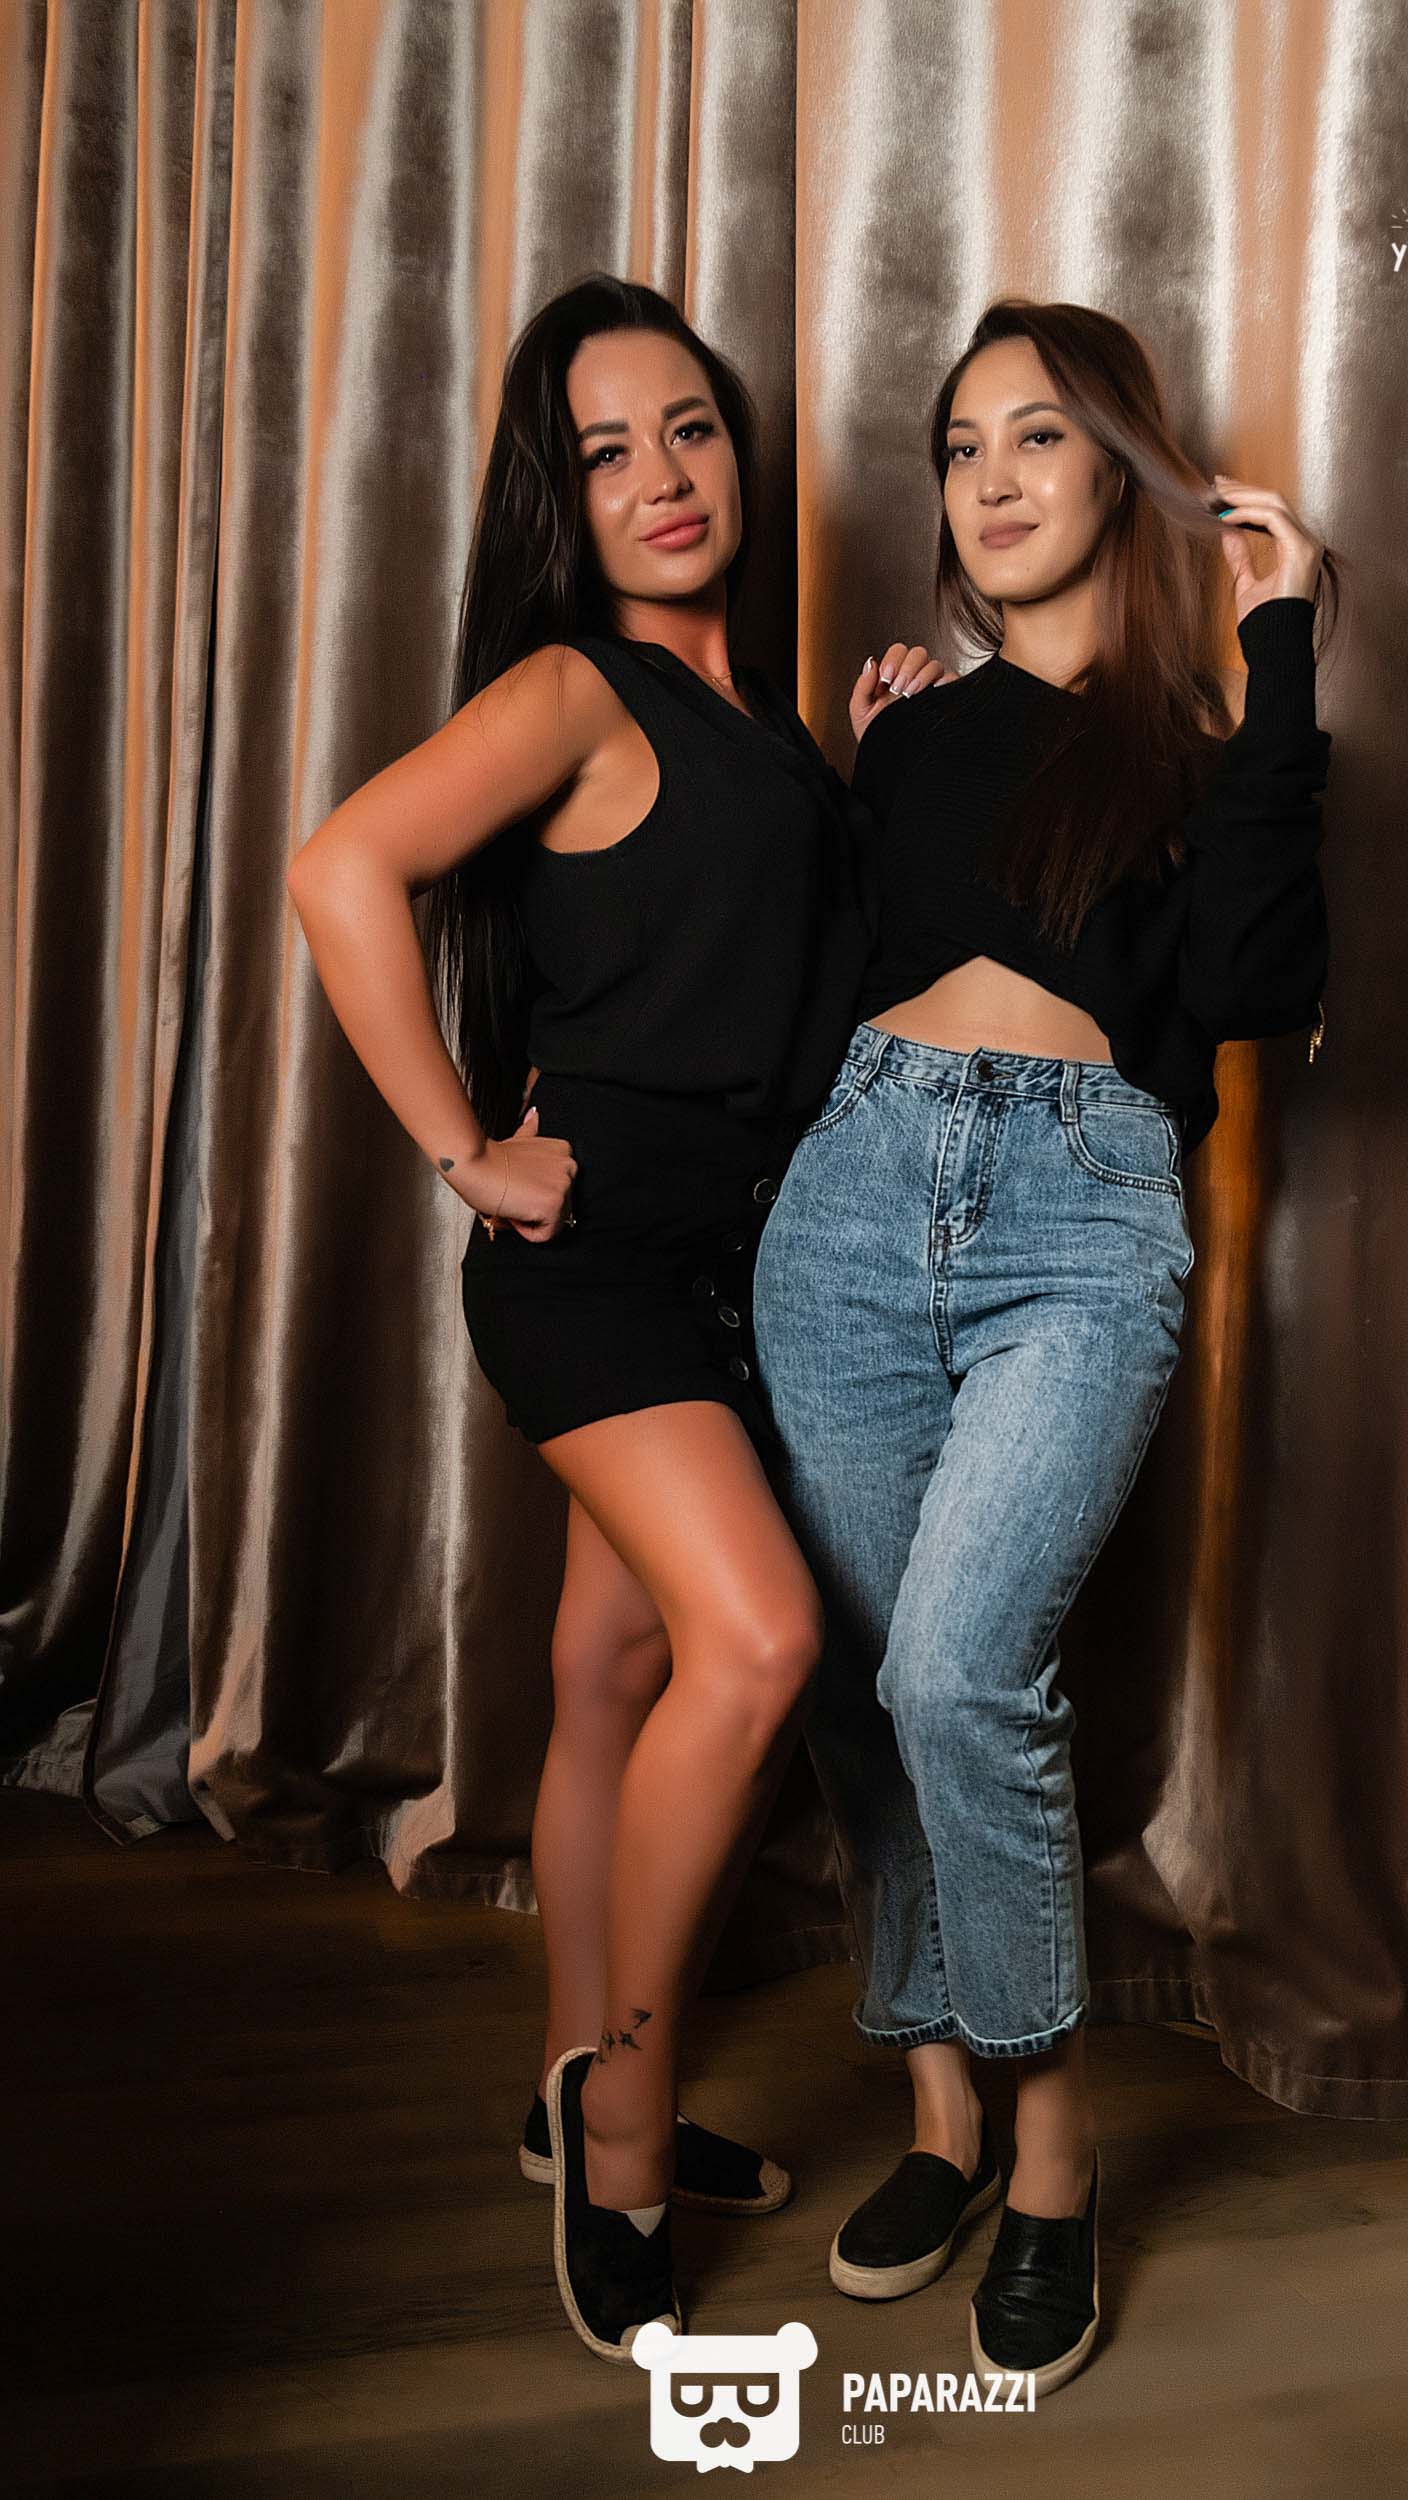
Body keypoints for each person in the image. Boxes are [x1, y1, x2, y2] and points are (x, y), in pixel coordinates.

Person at [284, 273, 949, 2364]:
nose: (662, 476)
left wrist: (867, 775)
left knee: (611, 1666)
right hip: (591, 1270)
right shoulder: (574, 689)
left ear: (736, 450)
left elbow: (786, 979)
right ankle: (627, 2127)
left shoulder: (767, 732)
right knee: (754, 1639)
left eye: (689, 428)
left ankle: (562, 2076)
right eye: (604, 451)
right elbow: (340, 868)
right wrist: (463, 1147)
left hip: (741, 1265)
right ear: (557, 501)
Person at [751, 297, 1336, 2400]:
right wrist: (860, 762)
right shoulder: (912, 732)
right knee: (860, 1685)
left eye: (1039, 436)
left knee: (957, 1670)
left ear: (1124, 470)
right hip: (846, 1199)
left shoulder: (1202, 751)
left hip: (1081, 1224)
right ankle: (939, 2114)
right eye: (961, 445)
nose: (991, 479)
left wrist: (1284, 646)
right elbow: (836, 974)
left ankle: (1055, 2150)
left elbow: (1255, 984)